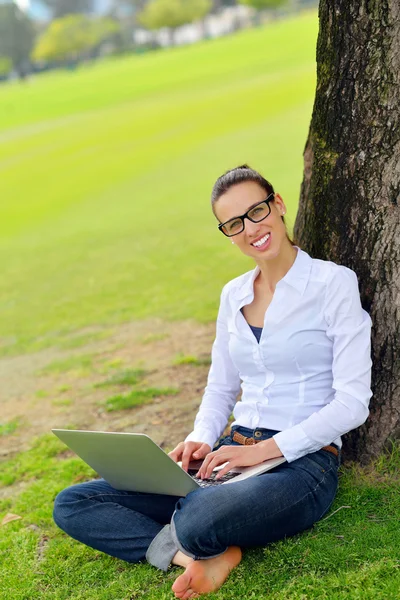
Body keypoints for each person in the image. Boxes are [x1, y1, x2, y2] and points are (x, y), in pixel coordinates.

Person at [53, 165, 372, 599]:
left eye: (256, 211)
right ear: (227, 231)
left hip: (303, 462)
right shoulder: (233, 294)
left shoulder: (333, 283)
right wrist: (200, 439)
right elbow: (221, 387)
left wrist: (263, 451)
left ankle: (194, 529)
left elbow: (353, 402)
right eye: (234, 223)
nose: (251, 229)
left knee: (200, 515)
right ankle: (194, 556)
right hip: (229, 456)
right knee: (74, 503)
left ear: (277, 205)